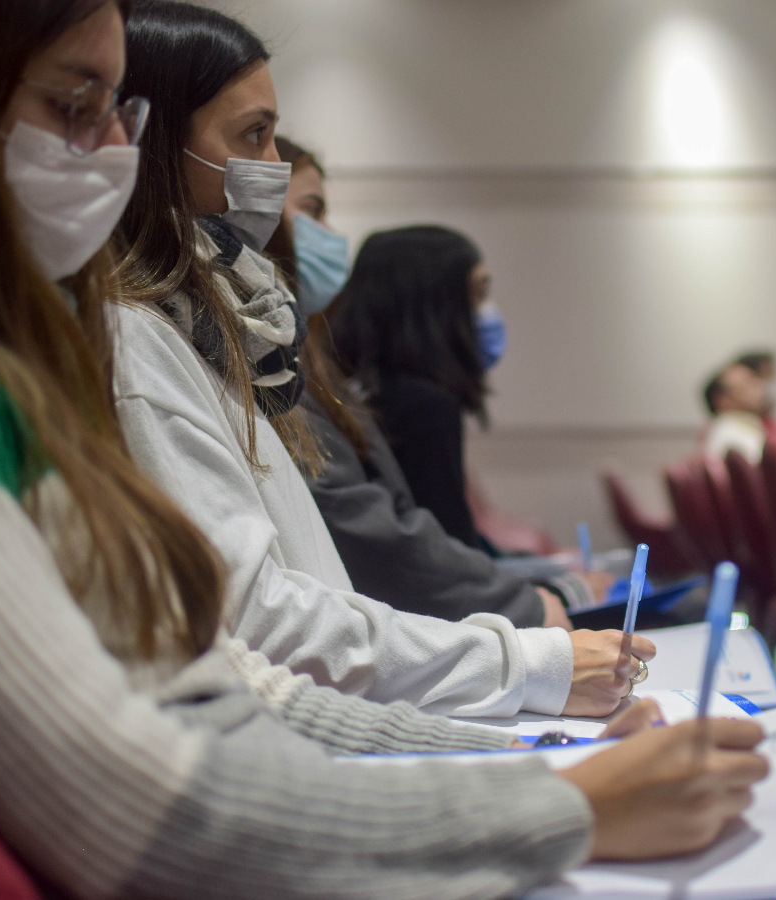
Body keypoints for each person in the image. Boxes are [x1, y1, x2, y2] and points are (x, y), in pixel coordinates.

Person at [0, 4, 776, 898]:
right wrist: (551, 786)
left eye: (122, 113)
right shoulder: (7, 360)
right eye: (71, 104)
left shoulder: (33, 366)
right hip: (324, 835)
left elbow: (233, 682)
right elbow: (143, 788)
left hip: (366, 776)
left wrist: (526, 745)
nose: (105, 148)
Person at [111, 0, 642, 718]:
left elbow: (313, 601)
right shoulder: (141, 339)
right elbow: (266, 618)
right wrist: (522, 664)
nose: (272, 168)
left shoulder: (223, 339)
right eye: (256, 136)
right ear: (155, 145)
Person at [271, 136, 600, 626]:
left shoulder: (322, 369)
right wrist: (545, 597)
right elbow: (402, 541)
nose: (331, 232)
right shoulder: (407, 401)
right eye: (314, 210)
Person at [328, 225, 505, 548]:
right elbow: (451, 546)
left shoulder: (354, 391)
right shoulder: (425, 409)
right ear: (436, 303)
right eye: (478, 294)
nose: (487, 313)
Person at [700, 362, 771, 463]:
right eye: (747, 383)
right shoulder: (730, 437)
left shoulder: (748, 426)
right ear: (722, 400)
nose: (760, 386)